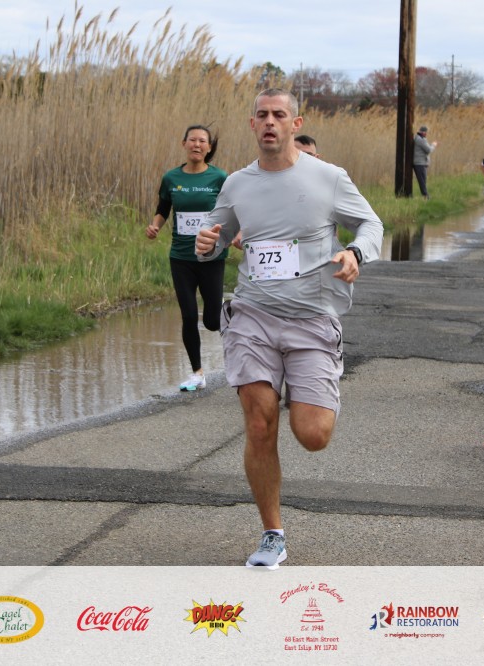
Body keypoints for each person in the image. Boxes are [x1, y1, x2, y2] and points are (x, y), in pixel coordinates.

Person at [195, 88, 383, 569]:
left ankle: (310, 390)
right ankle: (272, 534)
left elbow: (371, 226)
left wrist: (354, 253)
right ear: (252, 124)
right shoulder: (236, 183)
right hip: (253, 315)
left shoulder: (327, 177)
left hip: (312, 318)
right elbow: (216, 238)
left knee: (313, 434)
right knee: (260, 422)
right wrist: (207, 244)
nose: (270, 122)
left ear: (295, 123)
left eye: (279, 115)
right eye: (262, 115)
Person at [147, 125, 228, 392]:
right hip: (181, 257)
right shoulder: (171, 178)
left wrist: (233, 234)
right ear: (184, 143)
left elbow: (231, 211)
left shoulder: (220, 178)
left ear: (208, 147)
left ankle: (229, 313)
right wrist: (155, 226)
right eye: (192, 140)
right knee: (189, 314)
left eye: (202, 141)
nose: (197, 144)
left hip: (211, 256)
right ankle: (197, 373)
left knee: (212, 321)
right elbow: (163, 209)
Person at [413, 125, 438, 200]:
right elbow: (429, 150)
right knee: (422, 181)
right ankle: (426, 196)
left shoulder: (418, 138)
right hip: (420, 163)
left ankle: (425, 195)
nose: (426, 134)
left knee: (423, 180)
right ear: (423, 132)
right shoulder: (421, 140)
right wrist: (433, 145)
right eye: (426, 132)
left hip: (420, 163)